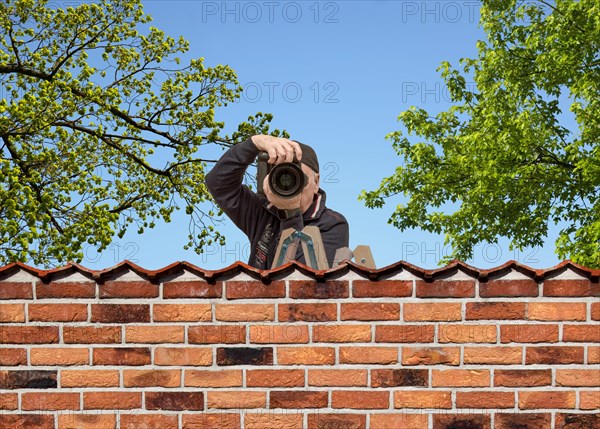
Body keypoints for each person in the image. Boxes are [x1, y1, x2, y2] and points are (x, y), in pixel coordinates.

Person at [205, 134, 349, 269]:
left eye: (298, 177)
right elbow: (217, 184)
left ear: (316, 182)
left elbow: (298, 282)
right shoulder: (263, 209)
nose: (290, 184)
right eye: (283, 176)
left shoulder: (333, 224)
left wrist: (290, 213)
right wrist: (254, 143)